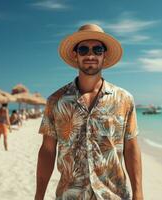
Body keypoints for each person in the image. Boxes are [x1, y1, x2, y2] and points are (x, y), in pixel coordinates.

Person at [35, 24, 143, 200]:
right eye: (84, 49)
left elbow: (131, 148)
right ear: (75, 54)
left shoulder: (124, 99)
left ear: (104, 55)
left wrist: (138, 193)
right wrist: (39, 195)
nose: (90, 55)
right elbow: (47, 151)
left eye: (97, 49)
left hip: (114, 195)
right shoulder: (55, 101)